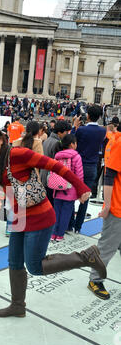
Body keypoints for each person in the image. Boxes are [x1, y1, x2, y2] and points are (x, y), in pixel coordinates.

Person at [0, 123, 106, 319]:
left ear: (1, 140)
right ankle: (17, 305)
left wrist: (81, 187)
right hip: (18, 221)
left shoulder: (18, 154)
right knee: (14, 262)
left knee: (35, 266)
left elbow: (54, 165)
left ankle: (86, 257)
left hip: (40, 217)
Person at [88, 129, 121, 300]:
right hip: (117, 207)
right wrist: (107, 205)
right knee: (107, 246)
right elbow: (109, 176)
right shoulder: (119, 143)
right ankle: (95, 279)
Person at [69, 105, 106, 233]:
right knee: (86, 198)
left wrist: (74, 126)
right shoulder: (102, 131)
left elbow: (71, 142)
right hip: (92, 166)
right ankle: (78, 227)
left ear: (88, 115)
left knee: (72, 195)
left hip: (79, 165)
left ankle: (70, 224)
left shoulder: (82, 130)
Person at [50, 134, 84, 241]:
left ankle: (53, 234)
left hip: (57, 187)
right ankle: (60, 235)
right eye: (75, 143)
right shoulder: (76, 156)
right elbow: (79, 175)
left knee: (56, 211)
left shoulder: (57, 155)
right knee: (66, 212)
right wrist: (80, 190)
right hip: (70, 189)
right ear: (72, 144)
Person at [40, 120, 70, 206]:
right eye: (66, 132)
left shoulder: (48, 139)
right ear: (60, 132)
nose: (67, 134)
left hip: (44, 175)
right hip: (50, 177)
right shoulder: (57, 143)